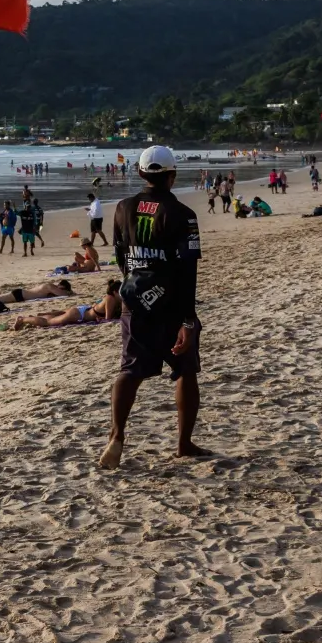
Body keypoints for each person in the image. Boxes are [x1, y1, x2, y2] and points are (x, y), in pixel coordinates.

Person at [100, 146, 210, 470]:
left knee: (129, 370)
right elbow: (189, 270)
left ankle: (116, 435)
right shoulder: (183, 215)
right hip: (172, 305)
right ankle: (183, 444)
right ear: (172, 176)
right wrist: (188, 320)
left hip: (134, 302)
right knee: (185, 371)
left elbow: (120, 256)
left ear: (140, 174)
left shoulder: (122, 208)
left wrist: (132, 286)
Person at [7, 280, 123, 330]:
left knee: (53, 319)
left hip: (82, 311)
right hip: (79, 315)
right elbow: (108, 320)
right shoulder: (110, 299)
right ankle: (23, 319)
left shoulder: (114, 299)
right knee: (48, 323)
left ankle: (34, 317)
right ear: (114, 292)